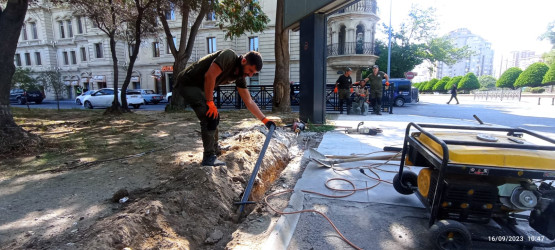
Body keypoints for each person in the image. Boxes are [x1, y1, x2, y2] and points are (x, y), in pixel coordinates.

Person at [175, 49, 276, 166]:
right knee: (209, 116)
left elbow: (249, 101)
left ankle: (215, 149)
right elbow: (210, 76)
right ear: (243, 61)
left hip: (200, 87)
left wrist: (265, 120)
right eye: (250, 70)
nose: (250, 75)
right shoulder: (229, 56)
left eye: (254, 73)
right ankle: (208, 157)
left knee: (214, 116)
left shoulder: (239, 76)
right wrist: (210, 102)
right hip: (188, 83)